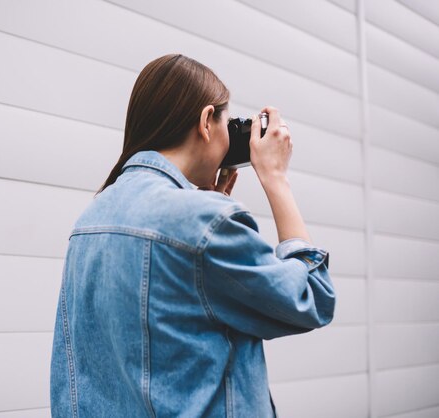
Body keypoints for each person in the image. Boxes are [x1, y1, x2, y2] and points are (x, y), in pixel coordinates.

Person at [50, 54, 336, 418]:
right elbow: (313, 298)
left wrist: (205, 213)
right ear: (205, 122)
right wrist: (276, 178)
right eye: (226, 124)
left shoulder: (91, 217)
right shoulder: (204, 223)